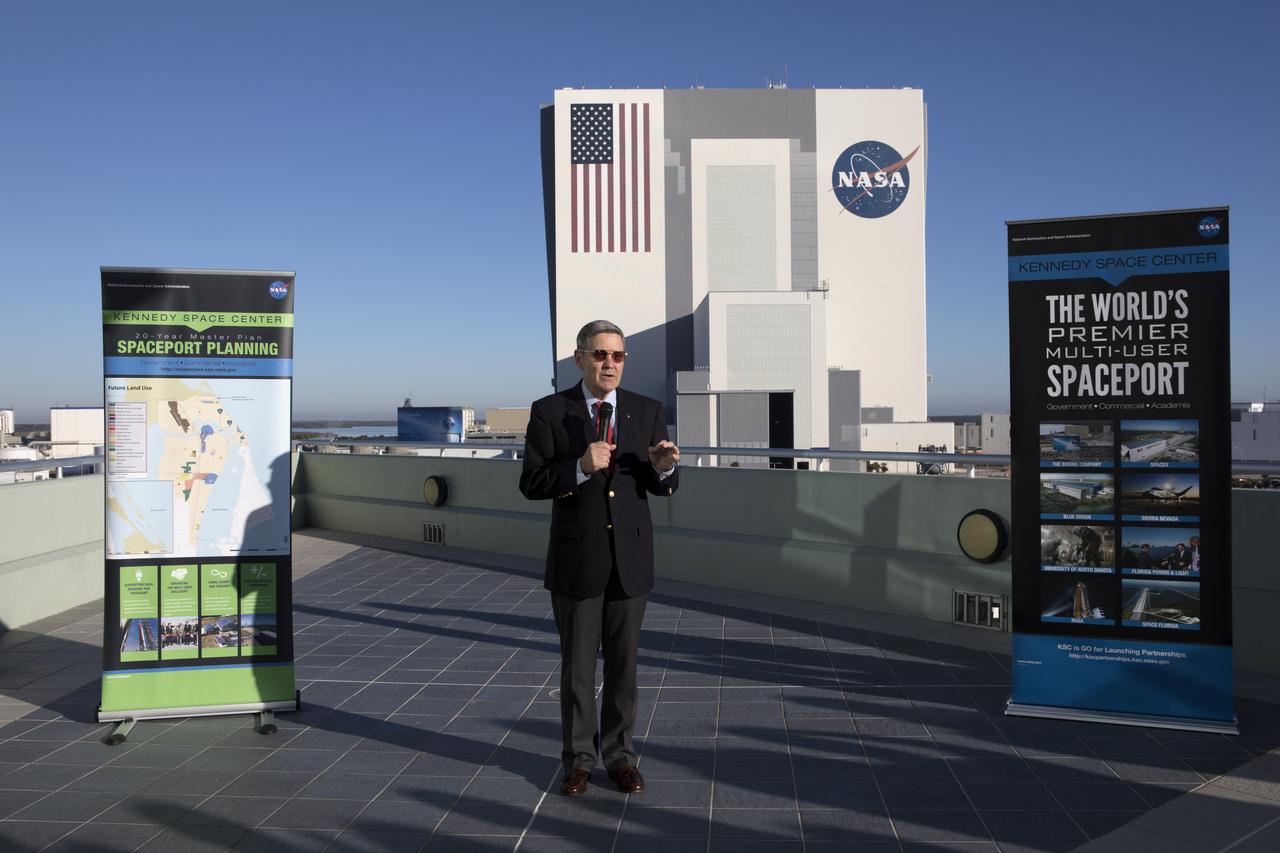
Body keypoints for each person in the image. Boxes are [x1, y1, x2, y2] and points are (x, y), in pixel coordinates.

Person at [519, 320, 680, 798]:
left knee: (624, 669)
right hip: (577, 559)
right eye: (600, 355)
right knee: (578, 671)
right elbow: (531, 483)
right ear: (580, 359)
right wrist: (578, 468)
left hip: (630, 560)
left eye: (618, 356)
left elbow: (659, 484)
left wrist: (664, 468)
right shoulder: (550, 411)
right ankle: (577, 762)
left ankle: (621, 758)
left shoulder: (646, 410)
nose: (610, 364)